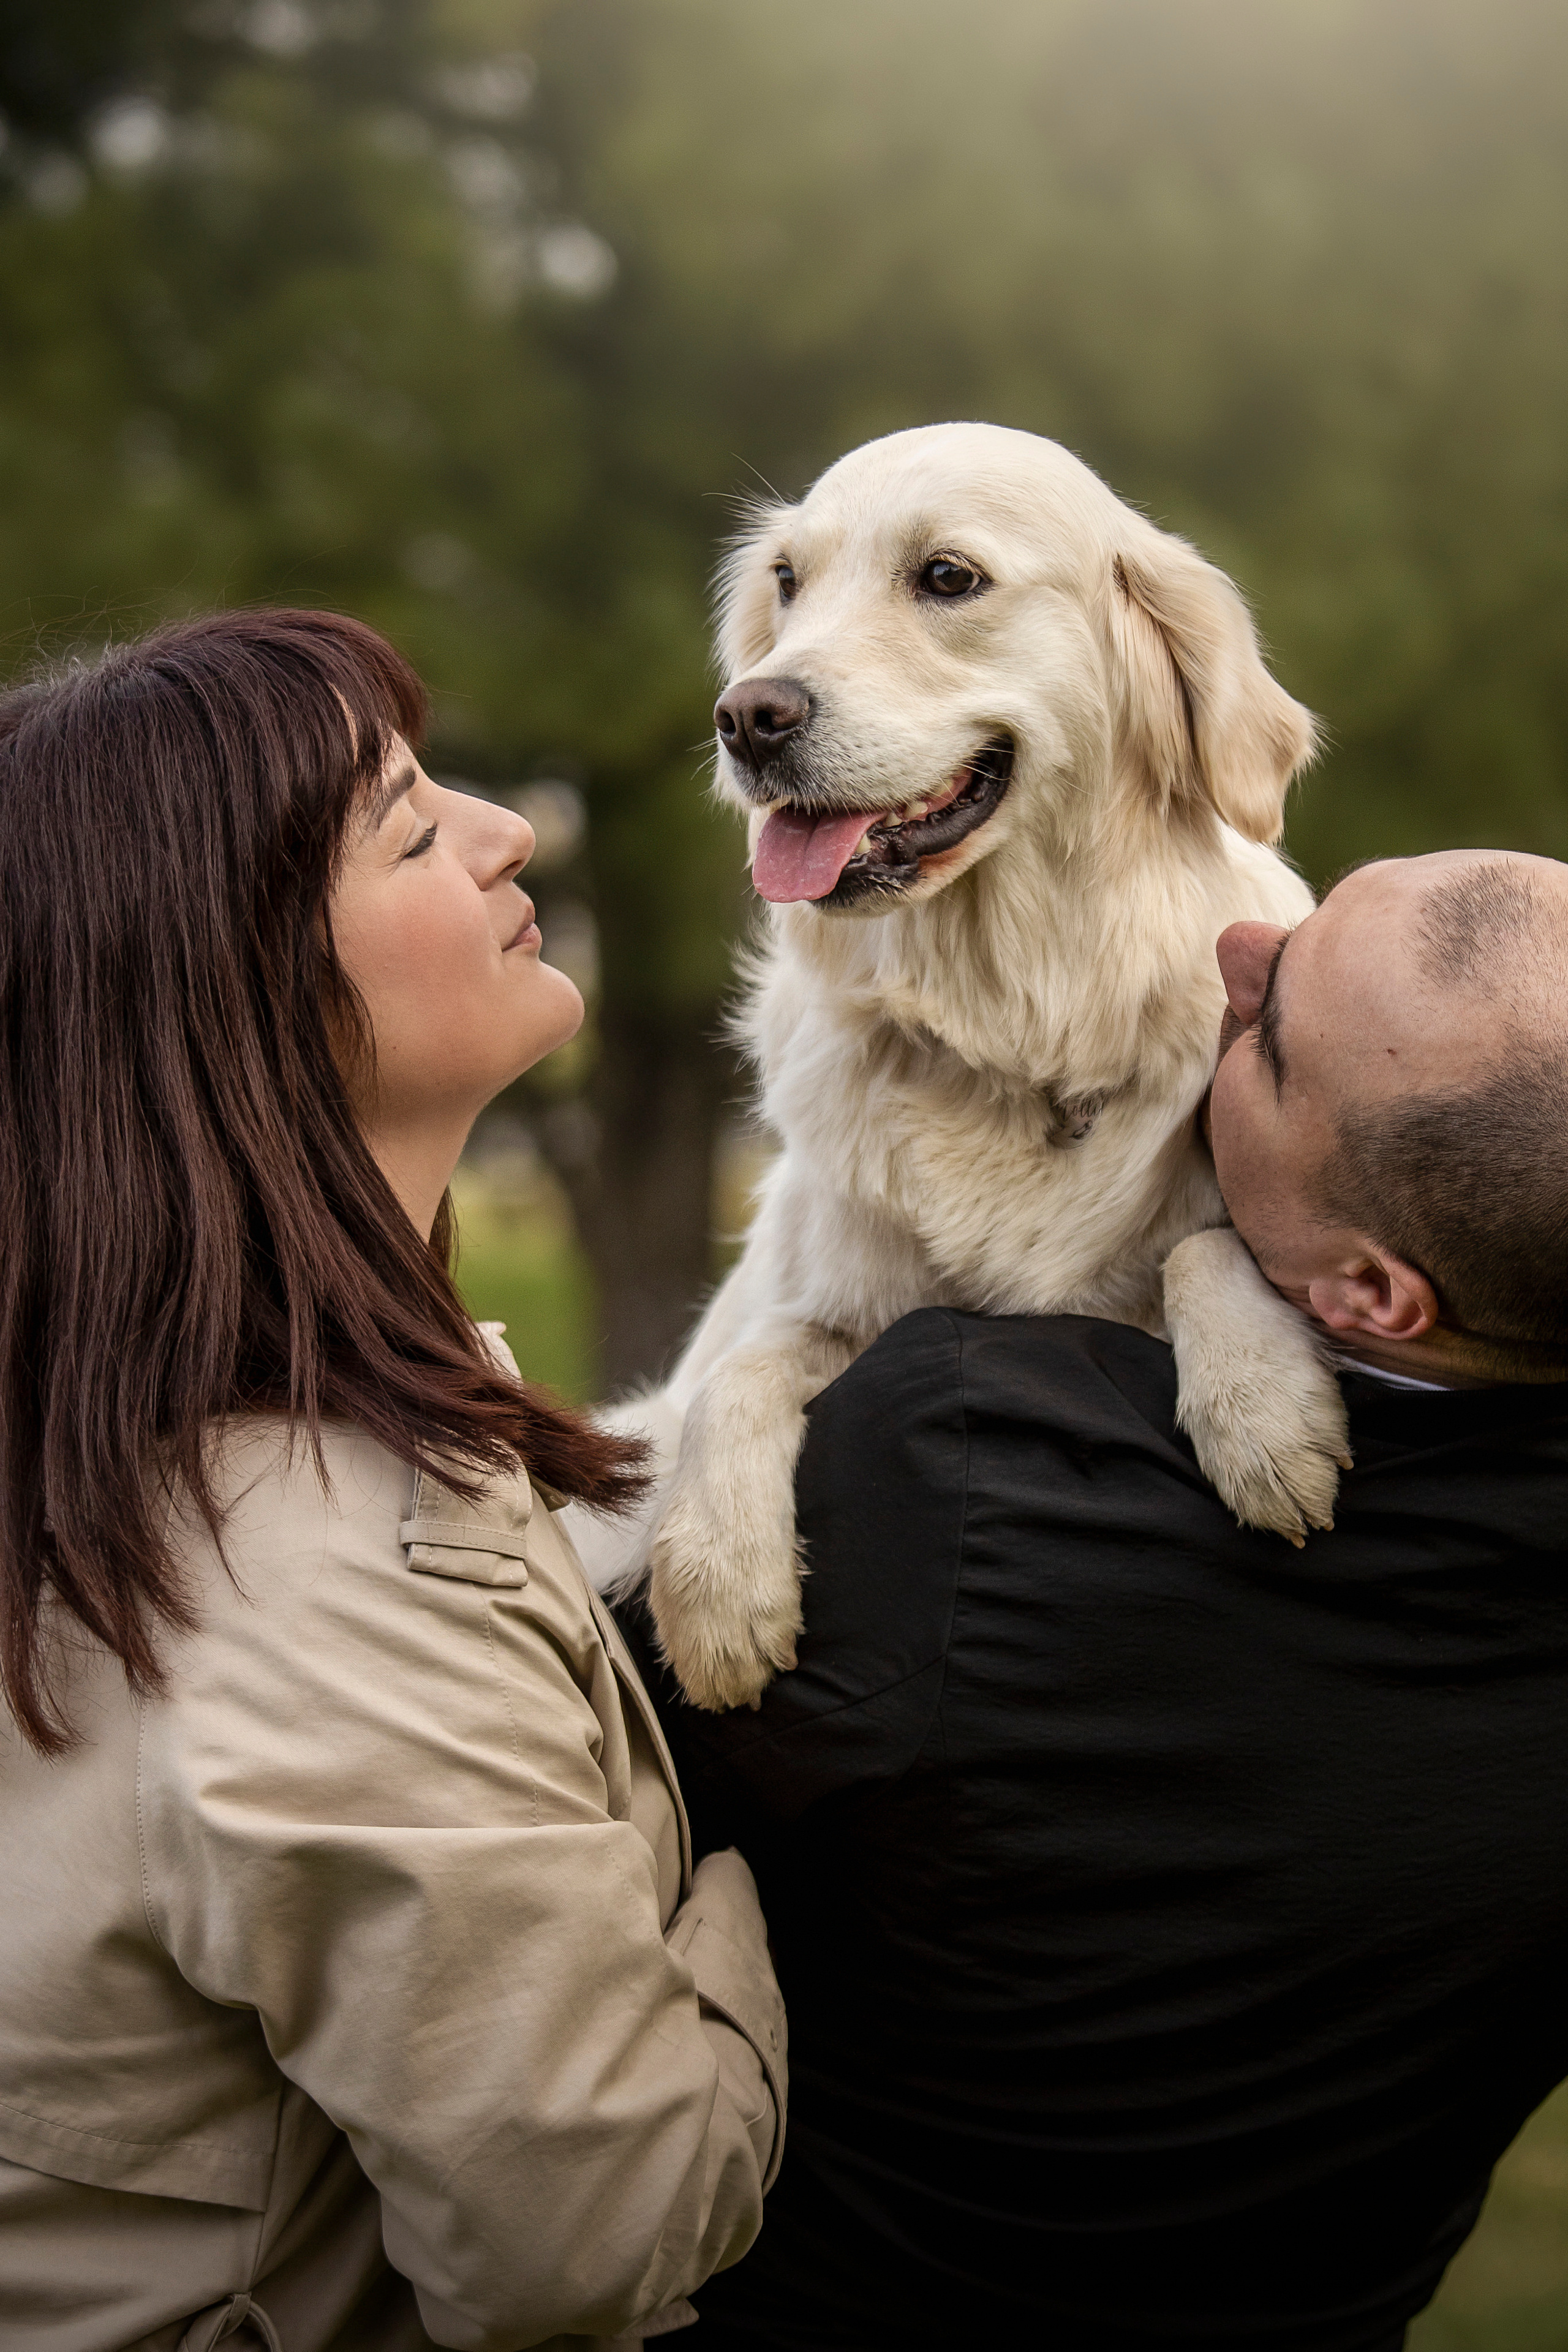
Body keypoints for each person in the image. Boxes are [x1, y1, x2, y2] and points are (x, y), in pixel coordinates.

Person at [639, 848, 1568, 2352]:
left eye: (1269, 1033)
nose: (1234, 951)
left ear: (1368, 1294)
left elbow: (589, 1767)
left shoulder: (966, 1468)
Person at [0, 611, 785, 2352]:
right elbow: (596, 2234)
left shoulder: (129, 1447)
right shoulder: (326, 1573)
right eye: (417, 829)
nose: (508, 834)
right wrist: (751, 1903)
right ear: (238, 991)